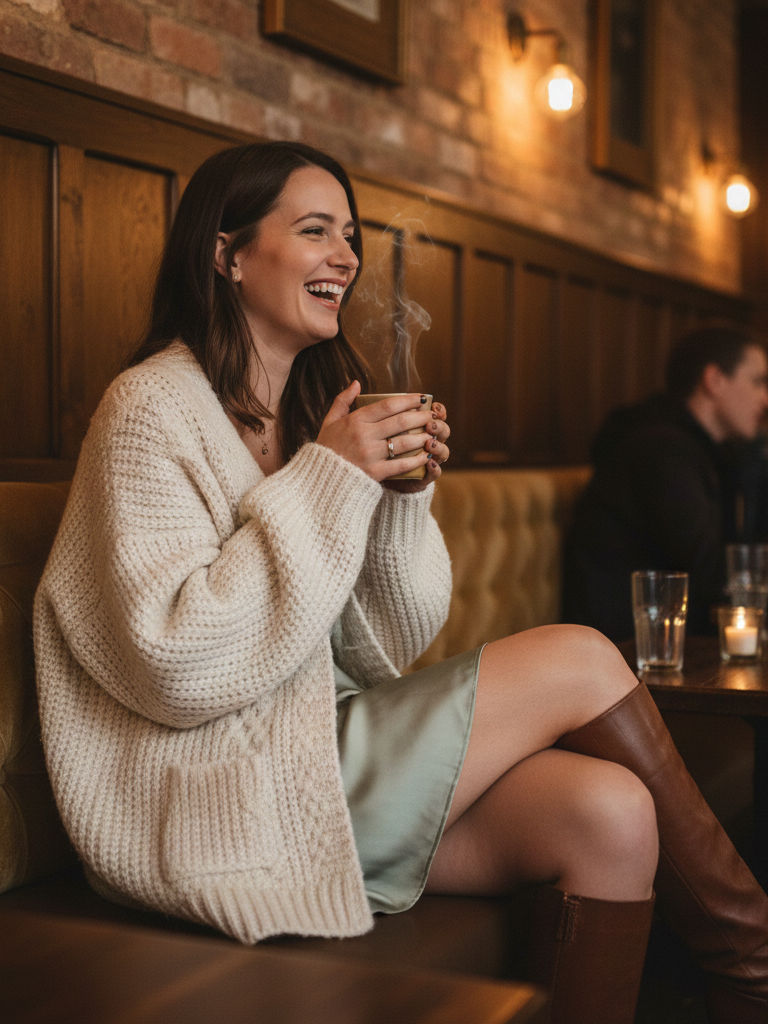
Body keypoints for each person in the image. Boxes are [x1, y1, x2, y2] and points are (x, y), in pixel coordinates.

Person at [34, 142, 768, 1024]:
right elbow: (178, 665)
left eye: (349, 234)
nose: (346, 256)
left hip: (325, 743)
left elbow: (391, 641)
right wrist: (332, 480)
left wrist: (400, 505)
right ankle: (754, 957)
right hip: (217, 786)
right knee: (579, 654)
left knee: (610, 814)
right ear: (227, 255)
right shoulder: (148, 409)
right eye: (314, 231)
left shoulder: (317, 406)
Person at [563, 325, 768, 642]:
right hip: (623, 651)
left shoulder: (712, 454)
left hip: (667, 640)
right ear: (714, 380)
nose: (765, 399)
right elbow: (711, 574)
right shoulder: (661, 450)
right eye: (758, 381)